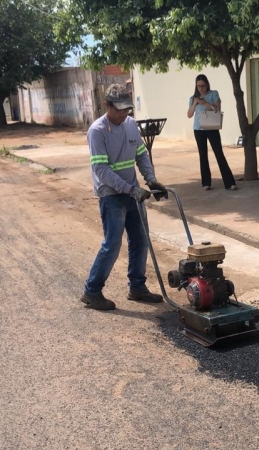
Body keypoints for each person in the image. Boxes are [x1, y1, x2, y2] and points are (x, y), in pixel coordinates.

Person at [80, 83, 168, 311]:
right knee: (112, 244)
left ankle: (137, 287)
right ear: (107, 105)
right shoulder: (97, 131)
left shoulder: (130, 125)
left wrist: (151, 179)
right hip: (111, 193)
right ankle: (92, 291)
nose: (124, 113)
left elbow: (141, 154)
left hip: (132, 191)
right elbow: (101, 170)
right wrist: (129, 189)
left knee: (140, 239)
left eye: (127, 109)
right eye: (119, 109)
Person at [187, 74, 238, 191]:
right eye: (198, 86)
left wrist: (205, 103)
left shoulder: (213, 94)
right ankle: (206, 183)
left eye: (203, 85)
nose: (201, 88)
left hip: (212, 128)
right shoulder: (192, 98)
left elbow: (217, 109)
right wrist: (195, 103)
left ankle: (229, 182)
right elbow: (189, 115)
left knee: (219, 153)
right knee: (203, 155)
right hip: (198, 129)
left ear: (207, 84)